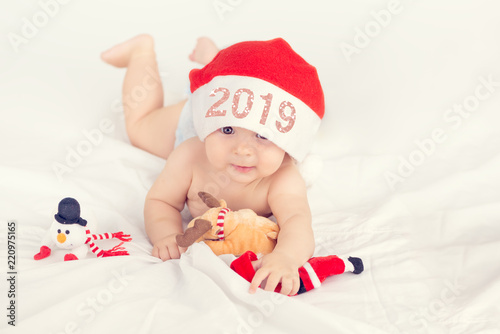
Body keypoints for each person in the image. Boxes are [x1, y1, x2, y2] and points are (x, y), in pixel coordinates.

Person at [101, 34, 325, 296]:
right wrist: (167, 234)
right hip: (195, 118)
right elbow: (161, 201)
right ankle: (141, 52)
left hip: (226, 100)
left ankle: (216, 61)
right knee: (140, 128)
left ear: (287, 144)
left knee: (238, 103)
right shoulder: (189, 155)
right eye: (228, 130)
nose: (242, 150)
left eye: (262, 136)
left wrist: (286, 257)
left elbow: (297, 221)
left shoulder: (283, 177)